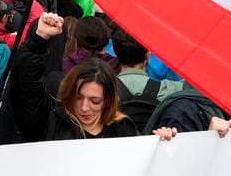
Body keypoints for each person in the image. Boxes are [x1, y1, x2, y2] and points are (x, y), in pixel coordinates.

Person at [12, 13, 177, 142]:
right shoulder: (52, 122)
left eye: (95, 101)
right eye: (78, 98)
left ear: (108, 100)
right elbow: (27, 87)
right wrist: (38, 40)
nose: (84, 107)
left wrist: (162, 142)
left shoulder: (122, 128)